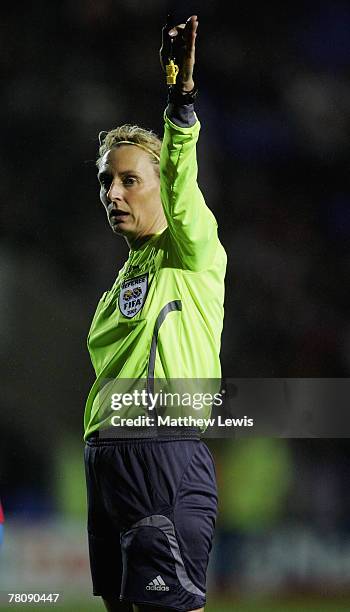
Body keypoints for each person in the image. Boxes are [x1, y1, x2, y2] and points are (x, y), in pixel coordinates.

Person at [84, 14, 226, 612]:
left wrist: (181, 104)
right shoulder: (125, 276)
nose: (113, 193)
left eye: (128, 180)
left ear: (161, 187)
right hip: (108, 458)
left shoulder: (191, 250)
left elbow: (182, 177)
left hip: (161, 448)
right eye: (106, 181)